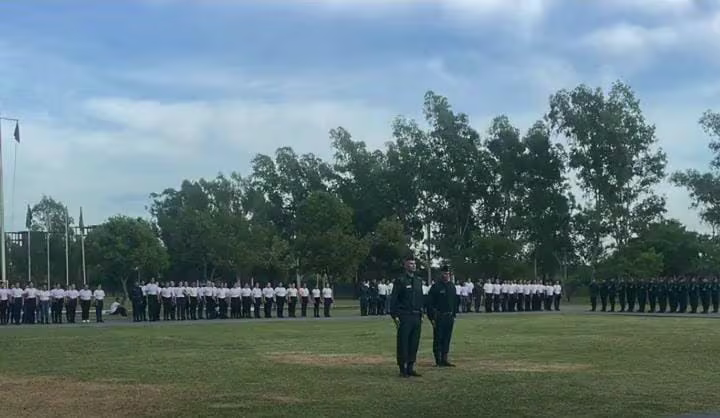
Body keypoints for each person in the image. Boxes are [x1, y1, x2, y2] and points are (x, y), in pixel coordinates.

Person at [390, 254, 424, 378]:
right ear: (405, 265)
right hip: (405, 316)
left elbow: (420, 299)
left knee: (414, 342)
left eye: (414, 263)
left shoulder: (418, 281)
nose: (413, 265)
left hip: (416, 316)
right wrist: (395, 316)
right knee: (403, 342)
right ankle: (402, 368)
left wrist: (421, 313)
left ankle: (410, 367)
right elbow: (394, 299)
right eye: (410, 263)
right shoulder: (400, 281)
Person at [427, 264, 456, 367]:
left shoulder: (451, 286)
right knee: (438, 338)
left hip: (449, 316)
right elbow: (429, 303)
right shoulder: (436, 287)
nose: (446, 275)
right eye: (444, 273)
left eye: (448, 273)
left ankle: (445, 358)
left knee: (447, 338)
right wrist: (432, 317)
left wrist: (454, 315)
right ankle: (438, 360)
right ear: (441, 274)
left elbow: (455, 301)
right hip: (439, 316)